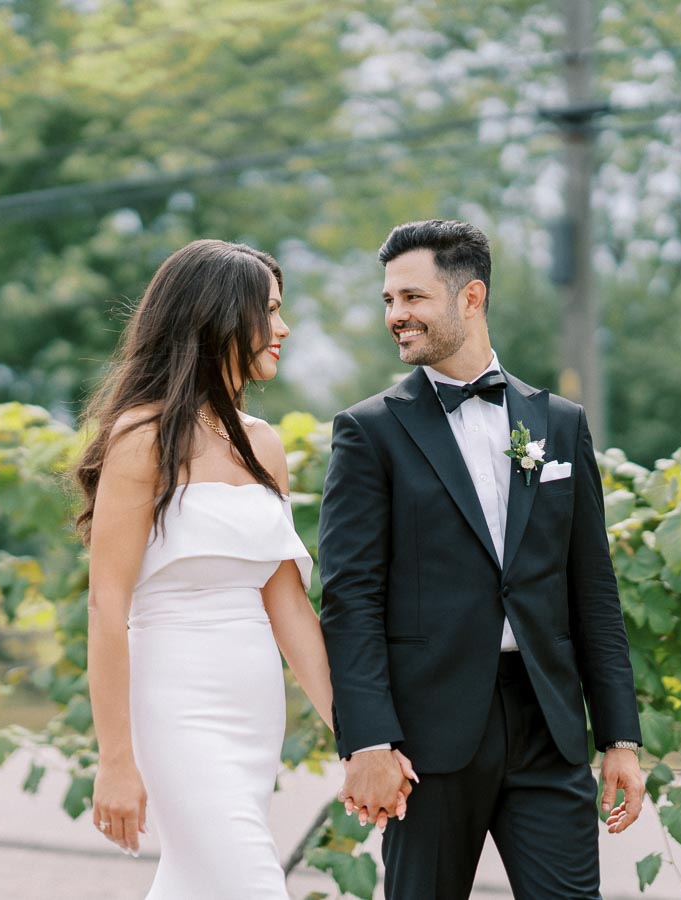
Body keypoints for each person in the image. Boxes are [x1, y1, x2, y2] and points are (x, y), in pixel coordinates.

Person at [319, 219, 646, 899]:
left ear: (470, 299)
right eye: (388, 301)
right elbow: (351, 600)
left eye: (411, 298)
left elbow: (593, 590)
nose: (395, 316)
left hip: (547, 727)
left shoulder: (558, 422)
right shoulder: (368, 432)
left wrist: (620, 737)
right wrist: (367, 740)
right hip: (426, 737)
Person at [74, 239, 411, 899]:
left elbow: (287, 606)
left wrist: (362, 738)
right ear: (217, 317)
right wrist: (115, 761)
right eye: (271, 311)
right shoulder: (142, 439)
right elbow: (106, 606)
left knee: (196, 885)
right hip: (175, 708)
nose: (283, 328)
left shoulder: (264, 444)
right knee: (252, 883)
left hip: (253, 714)